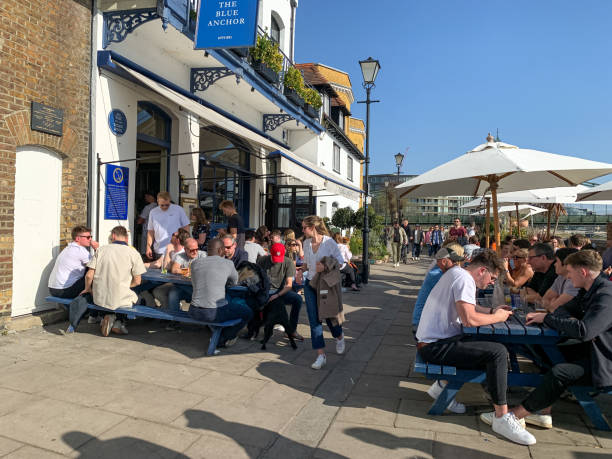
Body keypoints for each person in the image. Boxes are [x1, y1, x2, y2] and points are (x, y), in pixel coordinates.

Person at [417, 250, 536, 445]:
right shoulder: (464, 279)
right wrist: (497, 317)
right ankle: (501, 418)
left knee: (494, 347)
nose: (492, 283)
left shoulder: (458, 274)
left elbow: (468, 308)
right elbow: (469, 319)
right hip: (434, 348)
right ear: (482, 271)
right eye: (493, 278)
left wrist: (492, 311)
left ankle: (443, 387)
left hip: (432, 341)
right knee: (497, 352)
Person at [502, 250, 612, 431]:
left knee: (560, 371)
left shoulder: (606, 295)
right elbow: (561, 311)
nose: (568, 277)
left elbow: (585, 331)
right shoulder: (589, 290)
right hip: (591, 351)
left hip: (604, 361)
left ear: (583, 272)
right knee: (541, 349)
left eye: (570, 273)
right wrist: (564, 320)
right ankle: (544, 412)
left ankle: (515, 415)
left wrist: (546, 319)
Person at [81, 226, 146, 337]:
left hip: (99, 297)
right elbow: (138, 281)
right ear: (126, 238)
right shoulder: (133, 253)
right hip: (120, 297)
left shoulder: (101, 250)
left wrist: (88, 289)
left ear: (113, 236)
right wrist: (126, 285)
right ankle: (118, 322)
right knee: (140, 300)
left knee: (111, 299)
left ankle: (109, 317)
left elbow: (88, 275)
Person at [188, 238, 252, 349]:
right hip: (213, 312)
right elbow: (234, 282)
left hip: (194, 310)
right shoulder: (228, 263)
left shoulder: (195, 263)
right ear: (221, 250)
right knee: (248, 312)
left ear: (208, 251)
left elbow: (194, 283)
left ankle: (217, 333)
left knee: (225, 305)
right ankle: (223, 338)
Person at [301, 215, 346, 370]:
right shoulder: (306, 243)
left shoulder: (328, 242)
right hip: (310, 284)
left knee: (329, 317)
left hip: (325, 284)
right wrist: (301, 271)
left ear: (312, 227)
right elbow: (307, 263)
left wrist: (325, 267)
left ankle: (339, 336)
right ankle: (321, 355)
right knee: (314, 320)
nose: (302, 230)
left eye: (304, 227)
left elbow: (341, 262)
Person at [257, 243, 303, 340]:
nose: (277, 261)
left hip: (281, 291)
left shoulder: (288, 262)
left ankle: (291, 330)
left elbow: (289, 285)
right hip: (266, 290)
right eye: (274, 258)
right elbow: (257, 279)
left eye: (279, 258)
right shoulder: (262, 261)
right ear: (270, 253)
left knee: (298, 299)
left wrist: (277, 294)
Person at [48, 225, 99, 299]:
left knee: (89, 272)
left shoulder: (68, 248)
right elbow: (98, 265)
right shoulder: (80, 250)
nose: (90, 239)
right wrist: (97, 249)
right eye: (88, 237)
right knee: (96, 274)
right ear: (78, 238)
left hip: (53, 290)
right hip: (65, 290)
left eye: (91, 237)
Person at [166, 238, 206, 313]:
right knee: (173, 294)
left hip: (198, 289)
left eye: (196, 249)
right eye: (192, 250)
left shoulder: (203, 255)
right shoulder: (180, 256)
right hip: (184, 286)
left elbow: (201, 271)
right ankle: (175, 319)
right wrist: (189, 271)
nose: (195, 252)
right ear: (185, 249)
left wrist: (183, 271)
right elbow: (174, 269)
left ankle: (204, 319)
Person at [146, 191, 190, 260]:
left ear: (170, 200)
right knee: (160, 270)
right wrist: (148, 247)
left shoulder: (178, 210)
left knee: (176, 270)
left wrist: (184, 243)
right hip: (159, 250)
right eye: (162, 205)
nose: (164, 207)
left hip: (177, 249)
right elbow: (151, 231)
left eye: (167, 205)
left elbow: (186, 227)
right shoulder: (153, 212)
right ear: (158, 201)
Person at [540, 248, 580, 312]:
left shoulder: (574, 282)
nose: (554, 264)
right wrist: (553, 302)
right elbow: (544, 299)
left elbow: (554, 308)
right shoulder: (561, 277)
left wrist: (553, 303)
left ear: (565, 264)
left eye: (557, 261)